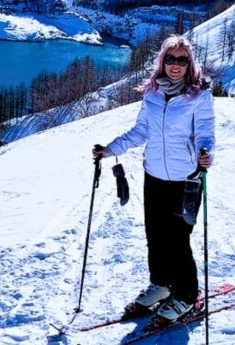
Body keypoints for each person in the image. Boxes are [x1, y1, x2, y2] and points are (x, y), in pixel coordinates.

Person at [92, 34, 215, 322]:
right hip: (154, 176)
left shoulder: (199, 96)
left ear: (189, 63)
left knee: (178, 240)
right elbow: (140, 132)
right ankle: (161, 285)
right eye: (170, 58)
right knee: (156, 236)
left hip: (186, 179)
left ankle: (186, 295)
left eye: (182, 60)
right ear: (162, 61)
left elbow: (205, 134)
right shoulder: (152, 94)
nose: (176, 65)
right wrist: (111, 149)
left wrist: (205, 153)